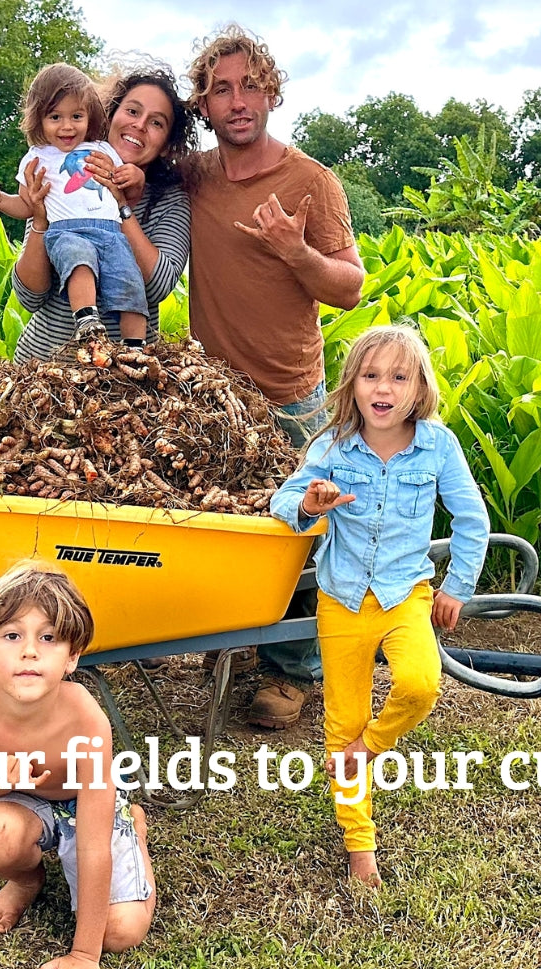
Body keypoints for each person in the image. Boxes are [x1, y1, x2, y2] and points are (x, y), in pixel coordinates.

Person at [181, 23, 367, 729]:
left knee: (300, 534)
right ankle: (231, 640)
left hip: (290, 395)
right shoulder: (193, 177)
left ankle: (292, 671)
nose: (237, 101)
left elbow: (349, 287)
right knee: (224, 528)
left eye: (249, 86)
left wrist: (295, 251)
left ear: (271, 94)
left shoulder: (311, 181)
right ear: (204, 103)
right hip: (212, 392)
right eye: (220, 88)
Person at [268, 325, 490, 888]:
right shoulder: (335, 444)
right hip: (341, 599)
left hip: (404, 593)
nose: (383, 387)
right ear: (353, 385)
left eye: (399, 376)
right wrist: (310, 503)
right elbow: (285, 499)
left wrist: (457, 586)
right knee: (342, 724)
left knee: (420, 683)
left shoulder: (438, 445)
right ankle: (358, 841)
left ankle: (372, 747)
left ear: (419, 388)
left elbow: (472, 519)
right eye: (371, 375)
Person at [0, 561, 156, 969]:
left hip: (84, 805)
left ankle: (136, 830)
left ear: (71, 656)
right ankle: (26, 879)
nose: (30, 652)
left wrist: (84, 954)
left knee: (122, 931)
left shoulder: (85, 721)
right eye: (12, 636)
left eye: (48, 637)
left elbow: (92, 844)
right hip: (15, 801)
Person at [0, 59, 196, 362]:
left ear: (167, 143)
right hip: (45, 368)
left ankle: (133, 350)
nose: (139, 125)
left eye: (156, 122)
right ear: (109, 116)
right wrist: (39, 217)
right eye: (132, 111)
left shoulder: (170, 201)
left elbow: (156, 288)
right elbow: (30, 297)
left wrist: (122, 204)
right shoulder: (59, 170)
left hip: (124, 381)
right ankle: (87, 325)